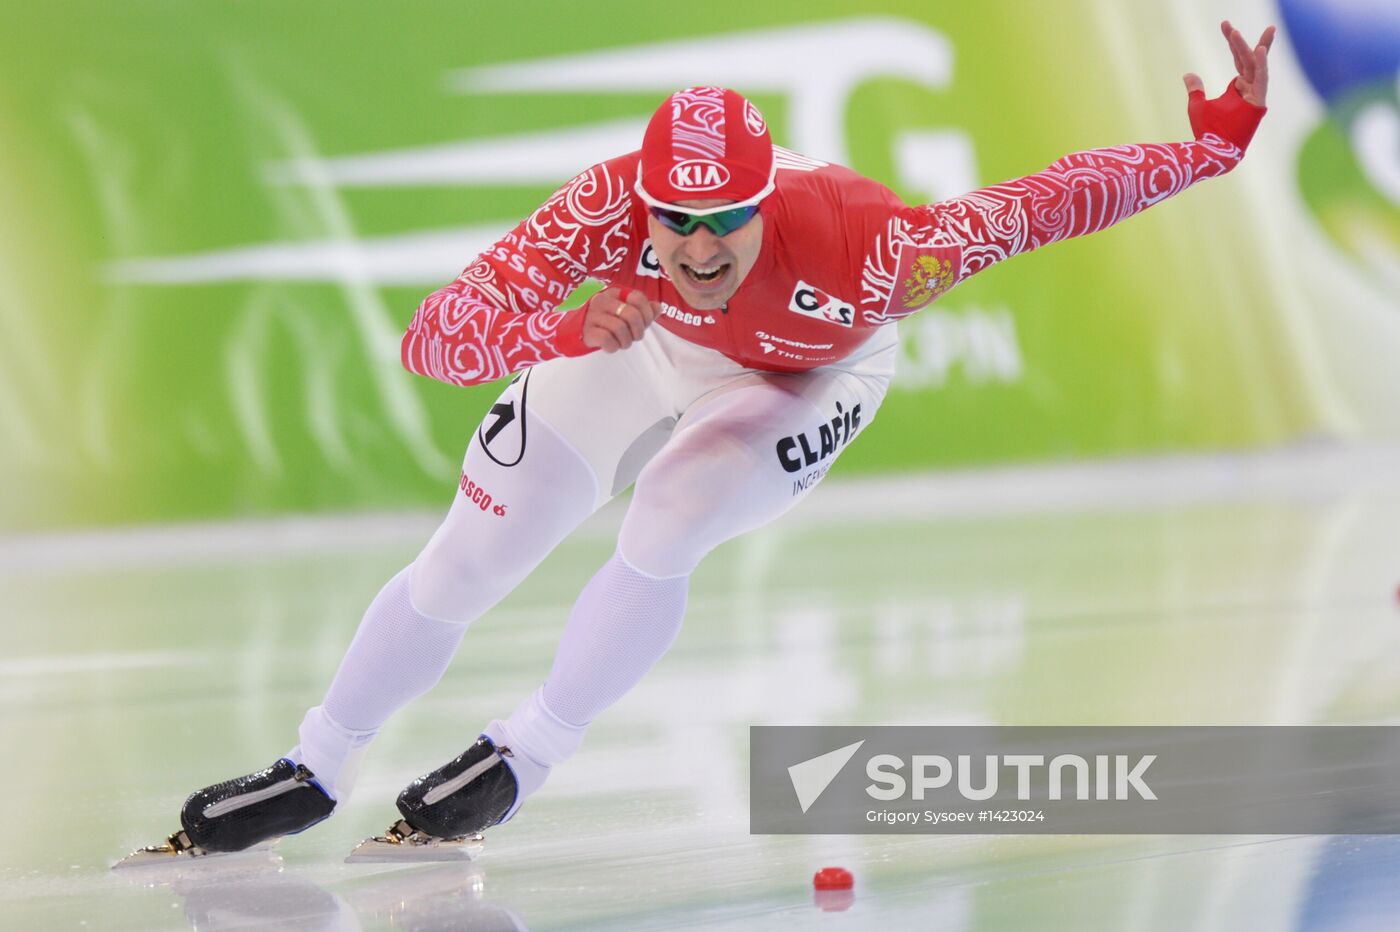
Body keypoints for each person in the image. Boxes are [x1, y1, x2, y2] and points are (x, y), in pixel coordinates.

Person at [123, 21, 1275, 862]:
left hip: (804, 367)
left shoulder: (871, 246)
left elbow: (1040, 202)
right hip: (638, 341)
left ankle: (527, 749)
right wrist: (558, 325)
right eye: (676, 218)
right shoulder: (608, 209)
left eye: (725, 216)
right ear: (649, 200)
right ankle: (317, 762)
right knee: (467, 556)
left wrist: (1207, 151)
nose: (698, 241)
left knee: (670, 510)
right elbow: (432, 336)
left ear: (762, 197)